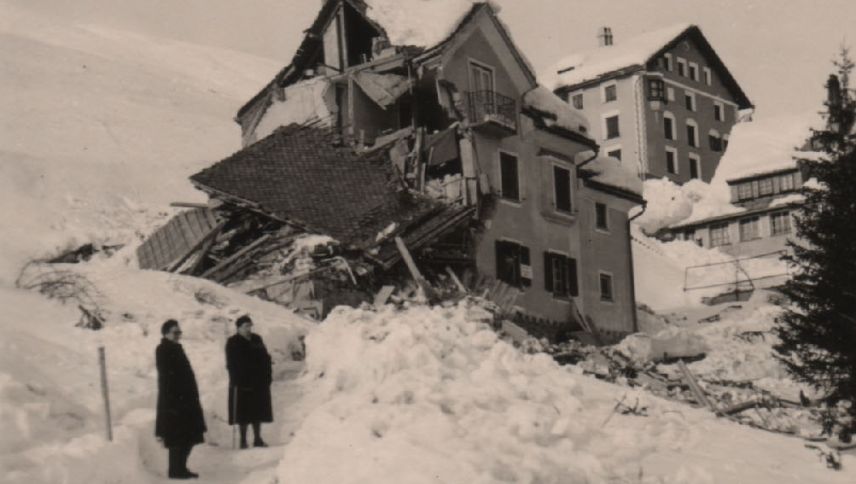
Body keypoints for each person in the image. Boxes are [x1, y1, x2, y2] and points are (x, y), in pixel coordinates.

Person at [155, 320, 207, 479]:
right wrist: (177, 398)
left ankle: (180, 468)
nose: (178, 336)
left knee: (189, 436)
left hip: (185, 400)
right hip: (174, 401)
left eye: (179, 333)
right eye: (175, 333)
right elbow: (168, 378)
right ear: (166, 334)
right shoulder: (163, 349)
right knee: (177, 438)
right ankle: (175, 471)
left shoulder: (176, 348)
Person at [226, 315, 273, 449]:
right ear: (238, 328)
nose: (249, 329)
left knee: (258, 410)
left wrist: (268, 375)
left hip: (258, 381)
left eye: (250, 326)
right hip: (241, 382)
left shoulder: (257, 339)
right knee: (243, 413)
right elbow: (231, 363)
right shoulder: (233, 342)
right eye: (246, 326)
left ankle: (258, 439)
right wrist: (235, 379)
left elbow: (265, 358)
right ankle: (243, 440)